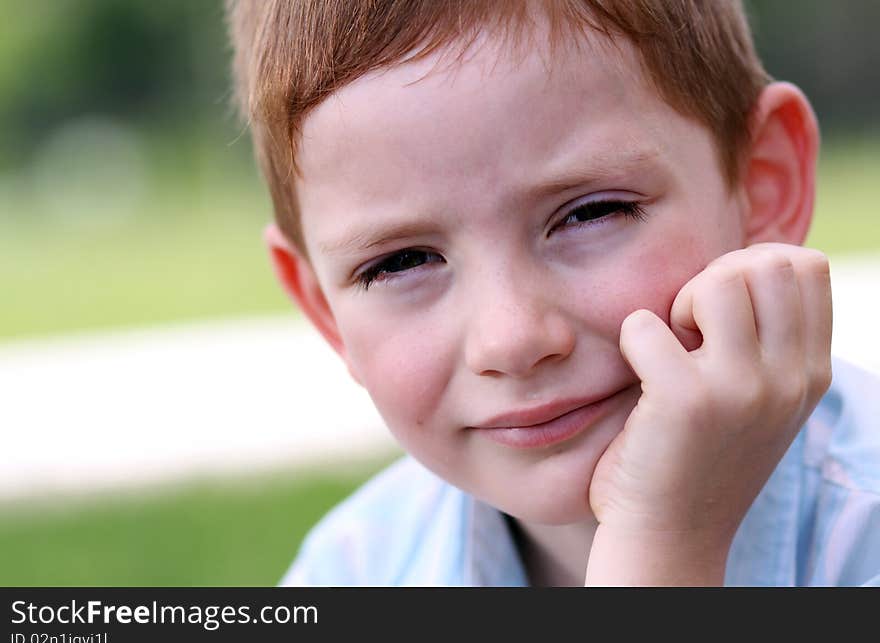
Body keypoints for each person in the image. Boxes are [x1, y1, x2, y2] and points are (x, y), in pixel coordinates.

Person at [226, 0, 880, 586]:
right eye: (401, 261)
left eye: (591, 213)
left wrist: (664, 543)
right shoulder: (353, 568)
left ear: (763, 187)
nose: (511, 339)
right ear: (325, 312)